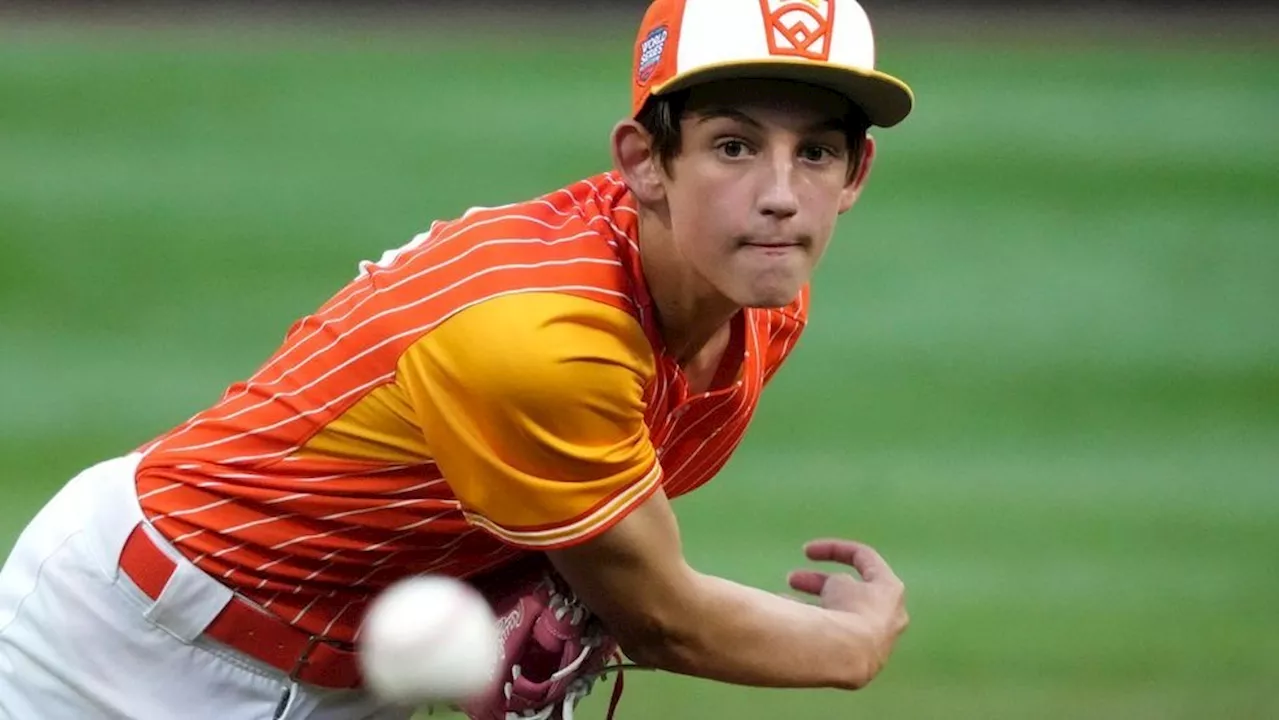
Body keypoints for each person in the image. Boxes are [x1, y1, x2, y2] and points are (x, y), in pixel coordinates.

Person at [0, 0, 916, 718]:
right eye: (732, 145)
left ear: (857, 176)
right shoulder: (546, 339)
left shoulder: (759, 295)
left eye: (817, 153)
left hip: (342, 666)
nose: (780, 197)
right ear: (644, 161)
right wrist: (851, 646)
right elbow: (663, 616)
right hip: (128, 653)